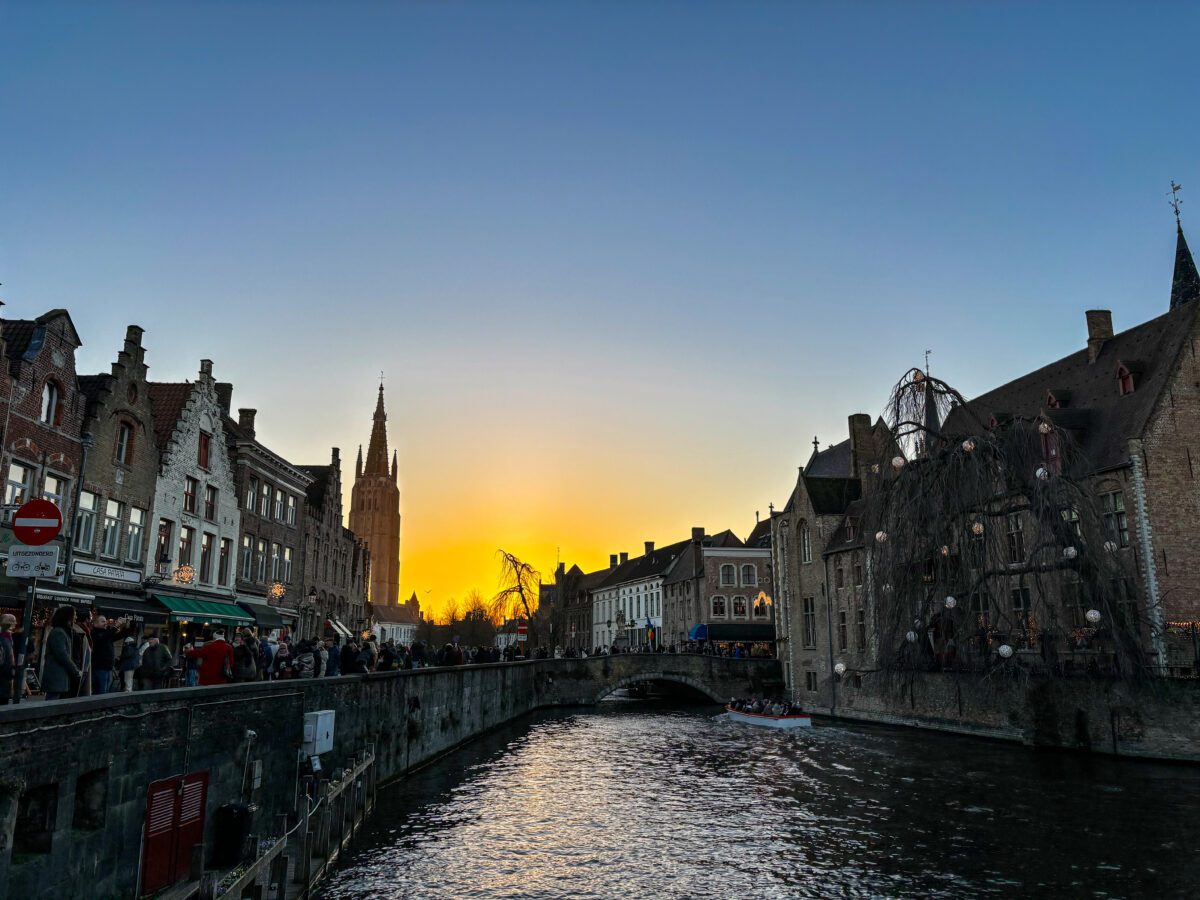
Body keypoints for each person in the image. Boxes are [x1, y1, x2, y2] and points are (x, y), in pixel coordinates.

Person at [42, 605, 82, 700]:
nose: (76, 617)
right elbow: (62, 655)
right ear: (68, 617)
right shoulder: (59, 632)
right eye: (74, 615)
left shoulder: (63, 632)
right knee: (52, 702)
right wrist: (75, 670)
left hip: (60, 676)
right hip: (57, 675)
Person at [89, 614, 125, 695]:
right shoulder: (94, 633)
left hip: (108, 668)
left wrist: (129, 628)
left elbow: (118, 636)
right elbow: (105, 637)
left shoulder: (106, 633)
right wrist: (115, 626)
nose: (105, 623)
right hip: (99, 668)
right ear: (95, 623)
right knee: (101, 691)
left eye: (105, 621)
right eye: (103, 621)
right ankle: (98, 707)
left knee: (105, 691)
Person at [0, 613, 17, 704]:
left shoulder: (8, 637)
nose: (15, 624)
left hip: (6, 677)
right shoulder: (4, 638)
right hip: (4, 676)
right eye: (13, 622)